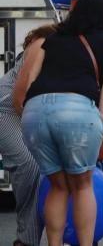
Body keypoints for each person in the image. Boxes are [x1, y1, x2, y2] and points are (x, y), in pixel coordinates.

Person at [13, 0, 103, 246]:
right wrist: (102, 109)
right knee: (82, 185)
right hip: (77, 111)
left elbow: (28, 78)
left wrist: (29, 114)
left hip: (35, 112)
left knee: (57, 185)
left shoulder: (51, 39)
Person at [0, 24, 59, 246]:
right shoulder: (42, 44)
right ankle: (27, 240)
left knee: (42, 168)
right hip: (7, 108)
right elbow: (20, 97)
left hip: (27, 108)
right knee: (29, 164)